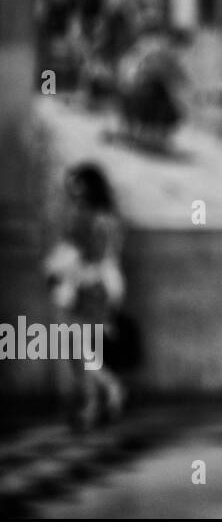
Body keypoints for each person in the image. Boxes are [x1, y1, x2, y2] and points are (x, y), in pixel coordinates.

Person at [43, 162, 131, 431]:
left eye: (77, 186)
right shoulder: (109, 218)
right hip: (100, 288)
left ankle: (110, 392)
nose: (73, 192)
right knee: (86, 350)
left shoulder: (87, 219)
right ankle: (95, 404)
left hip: (87, 289)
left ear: (89, 187)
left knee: (81, 350)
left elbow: (83, 253)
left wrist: (61, 268)